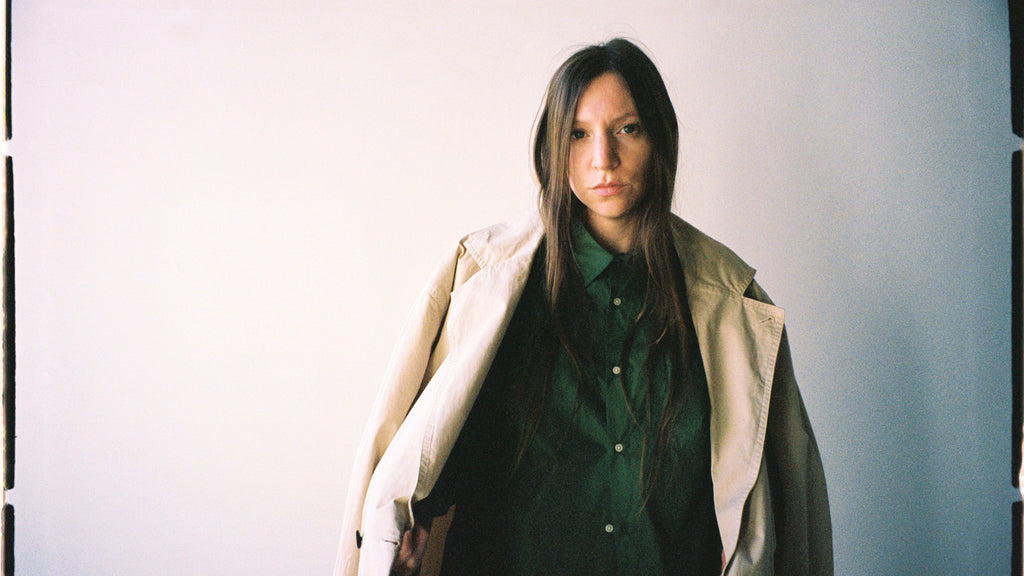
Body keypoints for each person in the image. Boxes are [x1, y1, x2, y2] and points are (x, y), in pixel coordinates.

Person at [335, 38, 832, 576]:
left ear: (660, 139)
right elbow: (424, 455)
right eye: (579, 134)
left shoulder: (732, 304)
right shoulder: (483, 282)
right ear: (553, 147)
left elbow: (781, 507)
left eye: (628, 129)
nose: (603, 159)